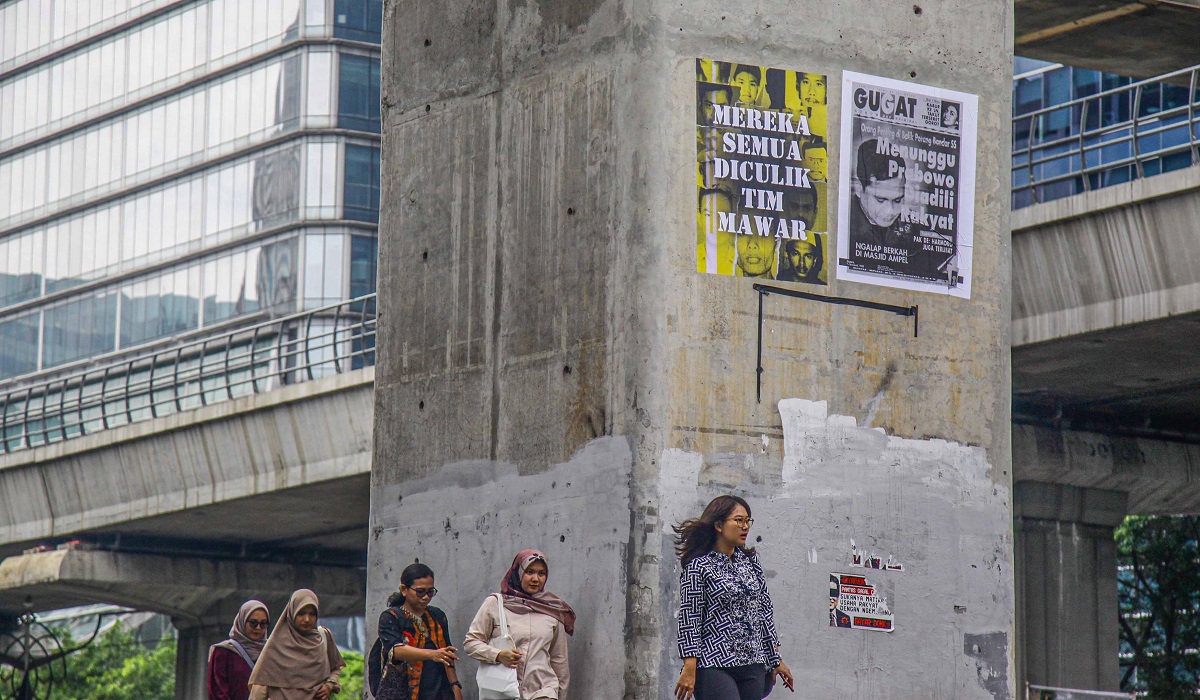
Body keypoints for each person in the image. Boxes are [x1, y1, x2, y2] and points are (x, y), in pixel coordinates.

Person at [674, 495, 794, 700]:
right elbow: (690, 619)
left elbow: (764, 613)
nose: (745, 526)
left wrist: (776, 659)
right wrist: (689, 665)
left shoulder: (750, 563)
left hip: (753, 663)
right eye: (739, 520)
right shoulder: (698, 567)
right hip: (714, 663)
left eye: (748, 521)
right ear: (719, 525)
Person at [466, 550, 574, 700]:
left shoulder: (551, 610)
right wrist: (498, 655)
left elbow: (559, 660)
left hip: (543, 691)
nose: (535, 579)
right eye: (529, 572)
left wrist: (561, 696)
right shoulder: (496, 604)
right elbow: (471, 643)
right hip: (504, 691)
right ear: (518, 572)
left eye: (541, 573)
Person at [373, 563, 463, 700]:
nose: (426, 597)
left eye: (430, 592)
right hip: (403, 692)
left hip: (438, 691)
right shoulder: (391, 616)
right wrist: (432, 654)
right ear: (404, 589)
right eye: (420, 592)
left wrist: (455, 686)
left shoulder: (437, 616)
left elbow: (446, 654)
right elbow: (395, 651)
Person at [847, 138, 930, 277]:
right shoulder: (845, 224)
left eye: (898, 200)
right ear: (859, 189)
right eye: (880, 200)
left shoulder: (915, 227)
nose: (890, 211)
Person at [248, 589, 346, 700]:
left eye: (312, 614)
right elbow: (261, 684)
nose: (307, 619)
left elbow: (335, 668)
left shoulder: (323, 638)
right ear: (292, 612)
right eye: (301, 613)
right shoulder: (276, 644)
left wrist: (329, 685)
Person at [208, 600, 270, 700]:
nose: (258, 628)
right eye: (253, 623)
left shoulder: (270, 652)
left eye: (263, 624)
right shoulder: (223, 651)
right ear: (242, 621)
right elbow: (218, 692)